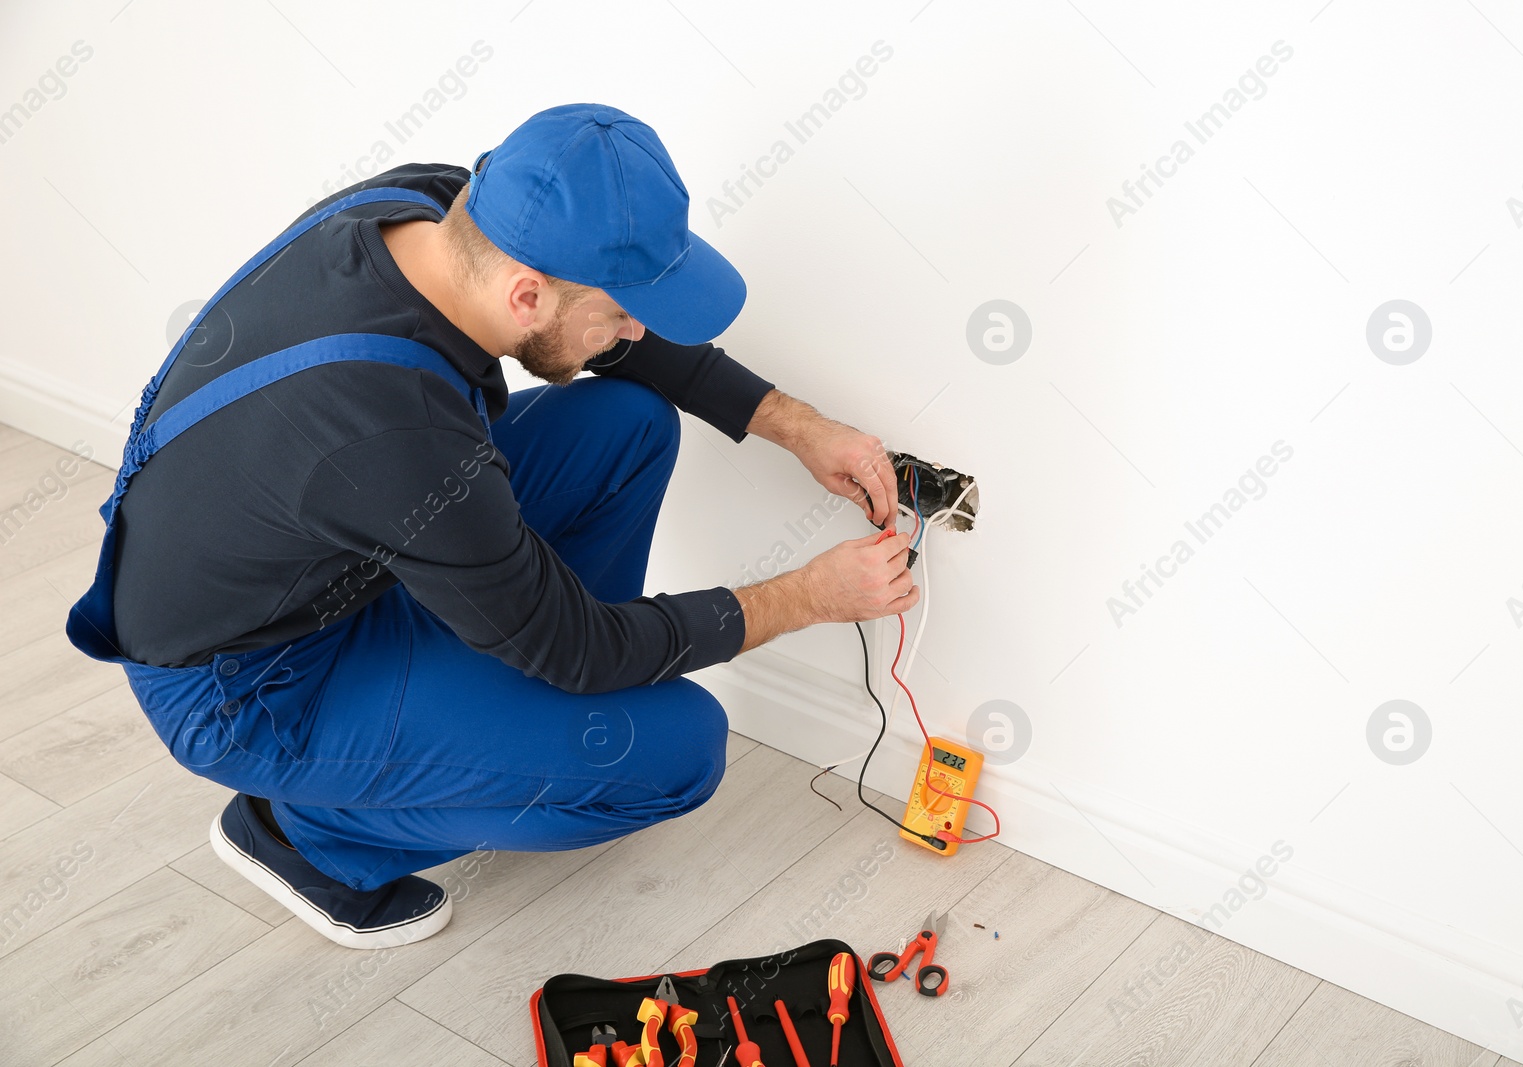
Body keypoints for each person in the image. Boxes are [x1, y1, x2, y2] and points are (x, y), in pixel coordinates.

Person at [65, 103, 919, 949]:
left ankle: (516, 700)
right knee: (682, 748)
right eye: (623, 311)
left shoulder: (434, 211)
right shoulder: (400, 435)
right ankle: (308, 838)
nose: (637, 329)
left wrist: (798, 426)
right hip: (251, 685)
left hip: (326, 553)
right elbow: (580, 645)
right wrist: (809, 594)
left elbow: (596, 339)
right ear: (526, 293)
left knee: (627, 423)